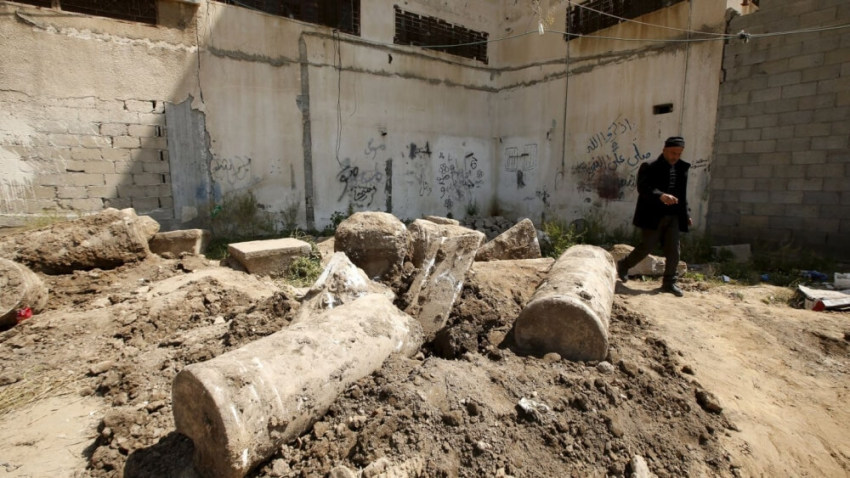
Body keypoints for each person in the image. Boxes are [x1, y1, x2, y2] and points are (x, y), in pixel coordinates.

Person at [617, 136, 692, 297]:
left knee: (674, 250)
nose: (675, 157)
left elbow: (682, 194)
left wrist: (686, 215)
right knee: (647, 246)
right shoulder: (649, 166)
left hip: (673, 216)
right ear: (664, 150)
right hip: (652, 215)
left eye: (679, 154)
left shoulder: (682, 168)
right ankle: (624, 264)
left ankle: (669, 283)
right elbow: (643, 188)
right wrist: (660, 196)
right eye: (672, 153)